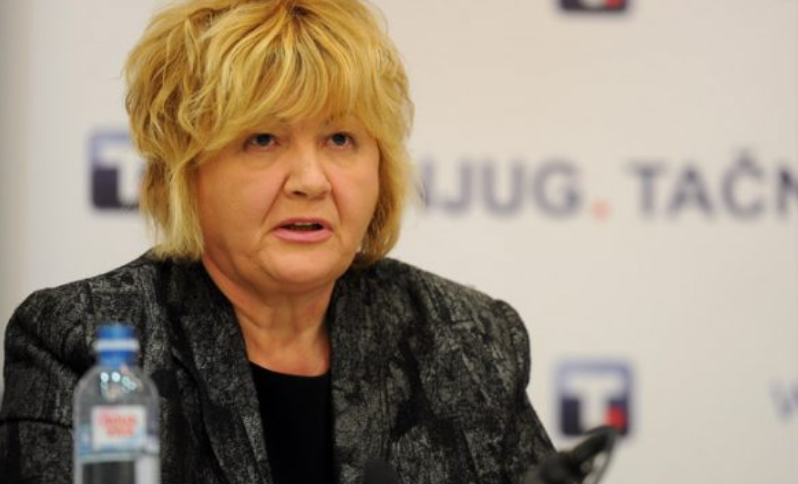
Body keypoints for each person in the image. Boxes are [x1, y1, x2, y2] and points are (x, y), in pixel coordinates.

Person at [0, 0, 554, 483]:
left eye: (341, 138)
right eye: (263, 139)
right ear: (184, 172)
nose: (310, 181)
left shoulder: (469, 342)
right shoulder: (79, 341)